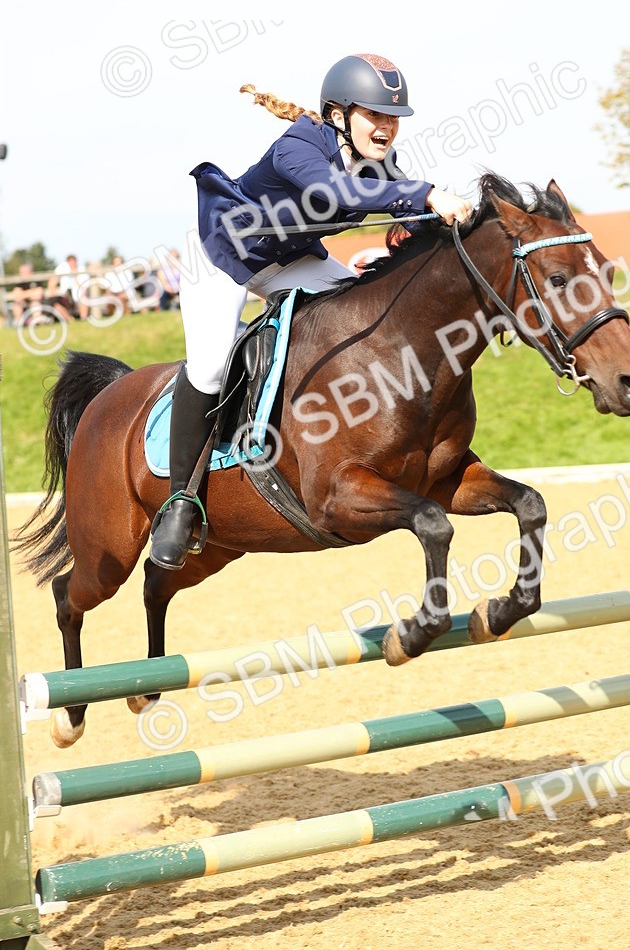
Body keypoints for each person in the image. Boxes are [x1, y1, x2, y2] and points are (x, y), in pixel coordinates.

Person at [150, 53, 472, 570]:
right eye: (375, 115)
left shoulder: (378, 164)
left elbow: (404, 214)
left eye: (392, 117)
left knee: (362, 319)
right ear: (339, 115)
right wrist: (427, 192)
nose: (387, 127)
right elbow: (336, 192)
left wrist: (450, 230)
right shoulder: (298, 146)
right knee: (210, 366)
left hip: (289, 259)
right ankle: (180, 503)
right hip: (223, 256)